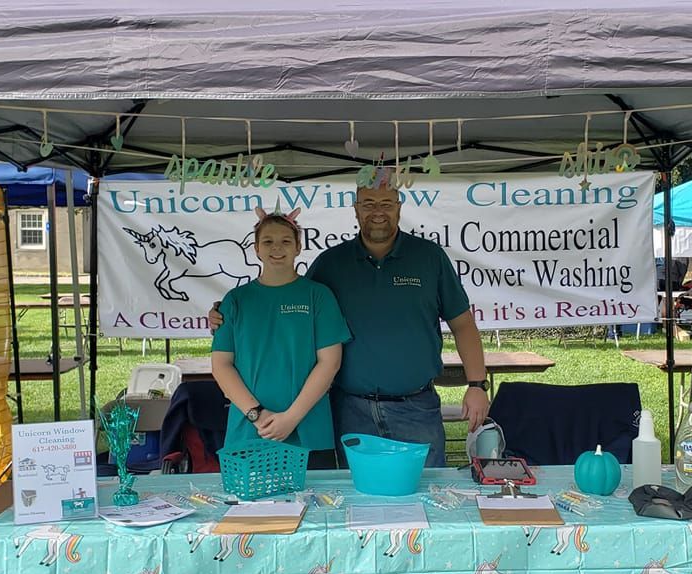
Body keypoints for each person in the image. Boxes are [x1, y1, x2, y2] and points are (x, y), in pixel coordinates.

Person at [212, 172, 489, 468]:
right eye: (368, 204)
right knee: (357, 504)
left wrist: (476, 384)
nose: (378, 212)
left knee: (424, 494)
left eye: (386, 203)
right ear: (356, 209)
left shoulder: (429, 257)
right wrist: (225, 313)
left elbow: (463, 324)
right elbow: (284, 298)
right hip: (351, 410)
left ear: (399, 206)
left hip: (416, 408)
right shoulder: (330, 264)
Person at [210, 208, 351, 470]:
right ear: (256, 249)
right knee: (251, 510)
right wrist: (257, 415)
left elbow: (329, 363)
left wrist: (291, 417)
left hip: (309, 432)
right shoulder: (235, 301)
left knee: (316, 508)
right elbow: (221, 365)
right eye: (268, 241)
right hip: (249, 432)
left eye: (286, 241)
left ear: (299, 247)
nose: (277, 248)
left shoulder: (318, 296)